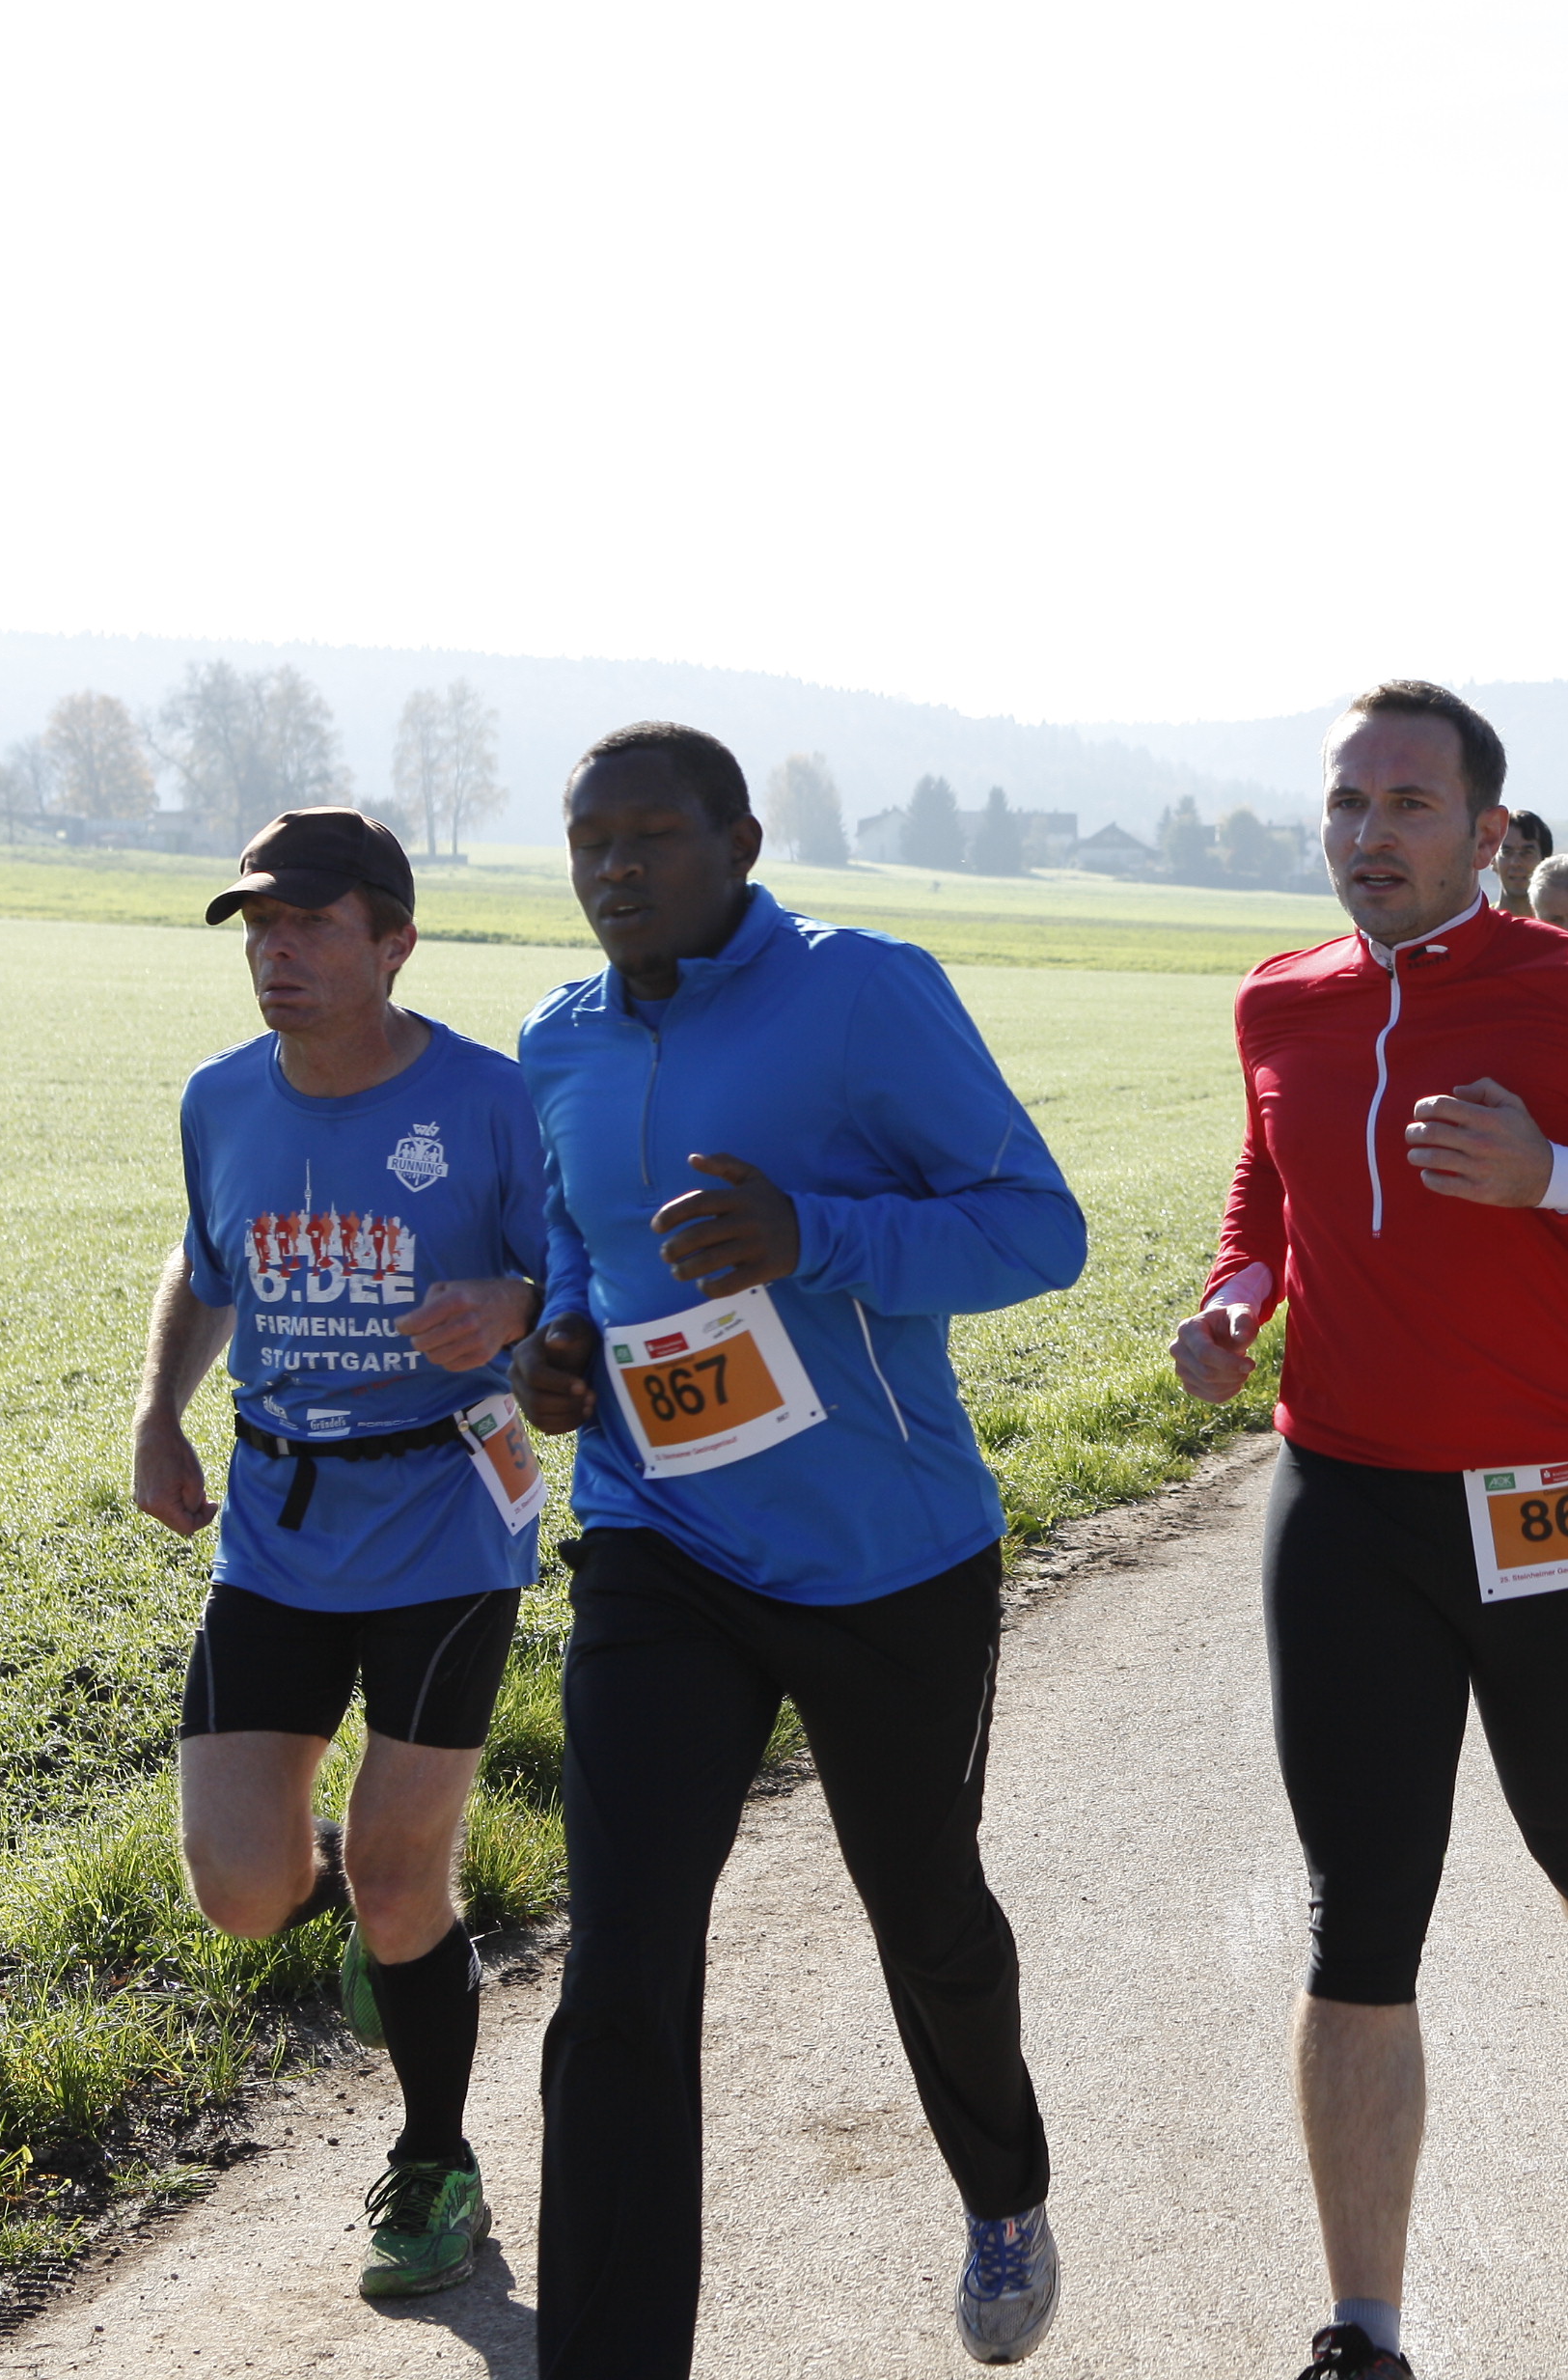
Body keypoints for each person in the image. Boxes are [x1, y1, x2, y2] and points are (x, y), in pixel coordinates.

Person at [1169, 680, 1568, 2380]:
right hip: (1346, 1498)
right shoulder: (1279, 999)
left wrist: (1556, 1179)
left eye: (1409, 804)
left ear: (1489, 832)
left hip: (1551, 1498)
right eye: (1346, 802)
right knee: (1360, 1911)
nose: (1369, 833)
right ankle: (1363, 2334)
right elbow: (1269, 1193)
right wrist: (1236, 1297)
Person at [509, 722, 1089, 2375]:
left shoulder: (862, 992)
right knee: (620, 1961)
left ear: (741, 844)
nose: (616, 868)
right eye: (589, 841)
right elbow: (577, 1238)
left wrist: (811, 1235)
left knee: (926, 1914)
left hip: (883, 1557)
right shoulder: (557, 1037)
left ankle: (1003, 2186)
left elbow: (1037, 1230)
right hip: (656, 1539)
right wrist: (559, 1340)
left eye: (652, 836)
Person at [134, 807, 548, 2304]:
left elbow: (575, 1271)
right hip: (279, 1522)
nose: (278, 951)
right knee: (244, 1890)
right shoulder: (220, 1099)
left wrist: (513, 1307)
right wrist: (158, 1414)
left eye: (310, 924)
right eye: (259, 926)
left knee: (393, 1870)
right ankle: (393, 1930)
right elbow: (206, 1262)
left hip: (448, 1517)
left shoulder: (492, 1101)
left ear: (394, 943)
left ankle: (436, 2163)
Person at [1492, 807, 1554, 914]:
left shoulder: (1565, 921)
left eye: (1527, 852)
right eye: (1507, 852)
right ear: (1492, 860)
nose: (1516, 862)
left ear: (1545, 862)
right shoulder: (1476, 923)